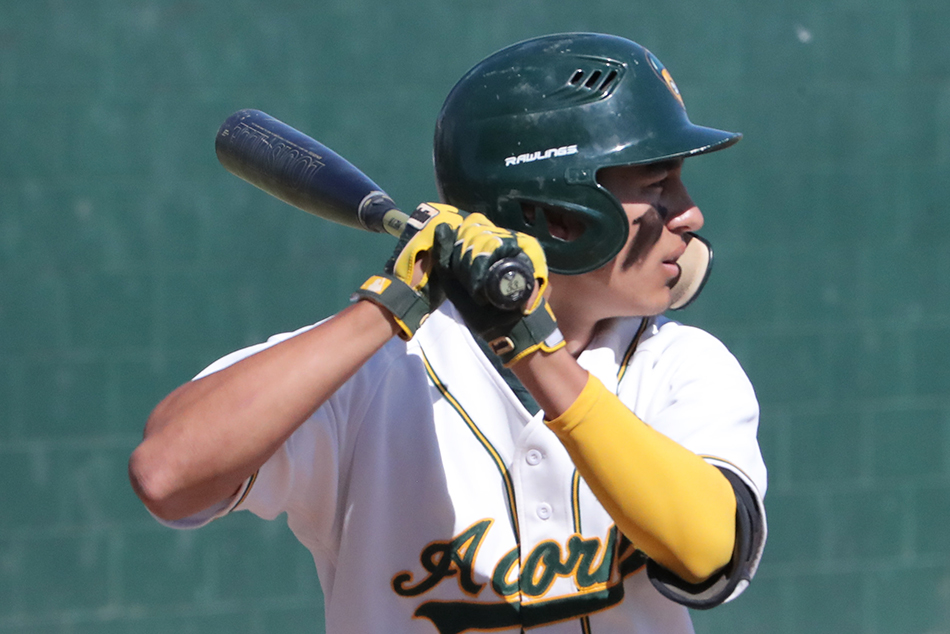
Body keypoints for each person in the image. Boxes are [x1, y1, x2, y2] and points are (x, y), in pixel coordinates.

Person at [129, 32, 767, 634]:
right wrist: (388, 304)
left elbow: (709, 550)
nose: (690, 213)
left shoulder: (679, 365)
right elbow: (165, 475)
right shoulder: (373, 370)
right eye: (657, 185)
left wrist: (530, 345)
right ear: (557, 216)